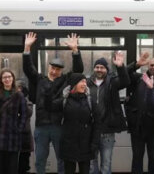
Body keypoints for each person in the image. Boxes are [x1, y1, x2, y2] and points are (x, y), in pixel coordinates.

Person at [23, 32, 84, 174]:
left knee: (61, 159)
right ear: (49, 67)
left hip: (59, 126)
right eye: (52, 68)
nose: (54, 71)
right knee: (40, 160)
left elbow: (78, 70)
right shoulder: (39, 80)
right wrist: (27, 48)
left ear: (61, 71)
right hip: (41, 128)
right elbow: (28, 69)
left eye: (57, 69)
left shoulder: (65, 81)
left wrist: (75, 51)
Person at [125, 52, 154, 174]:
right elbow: (123, 73)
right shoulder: (139, 79)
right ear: (148, 66)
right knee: (137, 157)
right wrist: (136, 64)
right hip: (137, 127)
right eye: (151, 65)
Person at [50, 73, 101, 174]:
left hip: (86, 144)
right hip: (68, 144)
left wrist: (94, 142)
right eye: (82, 81)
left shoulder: (90, 100)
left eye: (85, 82)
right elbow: (50, 106)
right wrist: (51, 89)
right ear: (74, 84)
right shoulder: (64, 100)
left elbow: (97, 123)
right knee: (68, 171)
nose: (84, 84)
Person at [88, 51, 130, 174]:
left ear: (106, 69)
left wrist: (120, 66)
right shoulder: (87, 83)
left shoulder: (112, 82)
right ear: (94, 69)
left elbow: (125, 81)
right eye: (97, 67)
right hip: (91, 130)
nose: (99, 69)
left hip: (107, 131)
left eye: (102, 67)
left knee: (106, 164)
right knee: (91, 164)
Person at [0, 68, 26, 174]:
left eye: (9, 77)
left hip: (13, 135)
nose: (7, 79)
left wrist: (18, 129)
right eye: (4, 77)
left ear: (13, 79)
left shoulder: (18, 95)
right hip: (0, 134)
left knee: (12, 167)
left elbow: (24, 115)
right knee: (1, 167)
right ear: (1, 80)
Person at [16, 79, 34, 174]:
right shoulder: (8, 100)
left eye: (20, 88)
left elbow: (28, 113)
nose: (18, 90)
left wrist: (21, 99)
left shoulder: (27, 102)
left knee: (24, 165)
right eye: (16, 88)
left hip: (24, 139)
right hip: (11, 138)